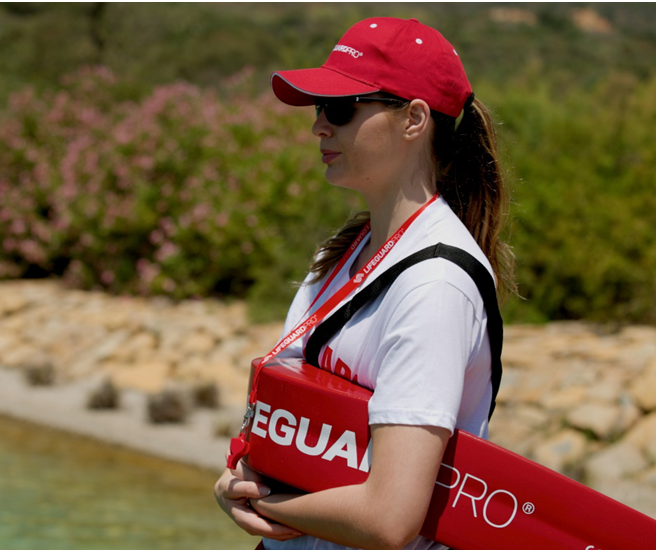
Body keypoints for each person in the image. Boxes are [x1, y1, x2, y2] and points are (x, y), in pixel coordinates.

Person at [214, 16, 516, 550]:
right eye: (318, 109)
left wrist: (265, 505)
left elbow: (390, 517)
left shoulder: (437, 286)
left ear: (414, 119)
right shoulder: (344, 251)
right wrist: (240, 478)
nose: (318, 128)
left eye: (340, 109)